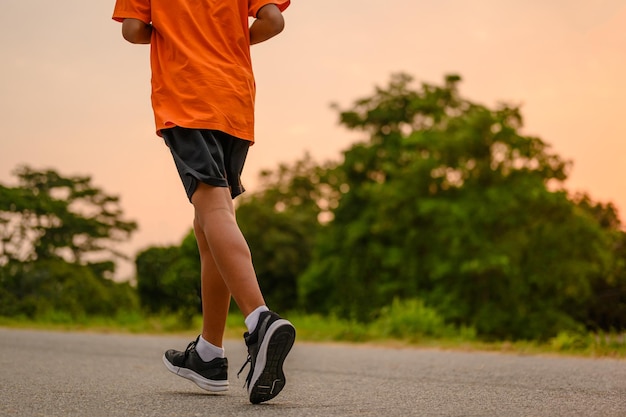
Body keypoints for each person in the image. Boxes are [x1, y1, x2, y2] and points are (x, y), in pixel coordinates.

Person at [112, 0, 295, 404]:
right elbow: (273, 21)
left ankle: (259, 320)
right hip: (233, 97)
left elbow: (133, 30)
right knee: (209, 219)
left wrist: (177, 37)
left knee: (212, 209)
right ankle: (209, 354)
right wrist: (225, 42)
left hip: (187, 94)